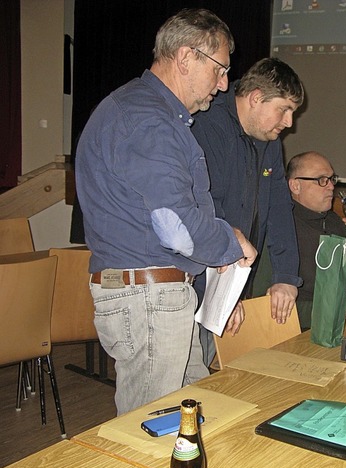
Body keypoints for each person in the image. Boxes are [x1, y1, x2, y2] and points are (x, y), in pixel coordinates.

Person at [75, 8, 257, 415]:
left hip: (153, 295)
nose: (224, 84)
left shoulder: (143, 113)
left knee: (194, 412)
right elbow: (177, 230)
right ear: (187, 57)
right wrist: (231, 242)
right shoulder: (148, 121)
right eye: (221, 69)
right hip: (149, 298)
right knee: (149, 428)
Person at [191, 57, 303, 361]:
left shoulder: (269, 141)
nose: (289, 122)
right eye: (284, 109)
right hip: (197, 283)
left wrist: (285, 276)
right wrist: (227, 294)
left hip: (233, 280)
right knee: (187, 384)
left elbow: (280, 209)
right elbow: (205, 213)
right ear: (255, 98)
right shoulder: (206, 126)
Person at [254, 151, 346, 330]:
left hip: (331, 326)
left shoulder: (333, 222)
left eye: (332, 179)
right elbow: (262, 303)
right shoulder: (279, 227)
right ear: (295, 186)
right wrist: (328, 308)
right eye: (321, 180)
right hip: (289, 331)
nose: (331, 186)